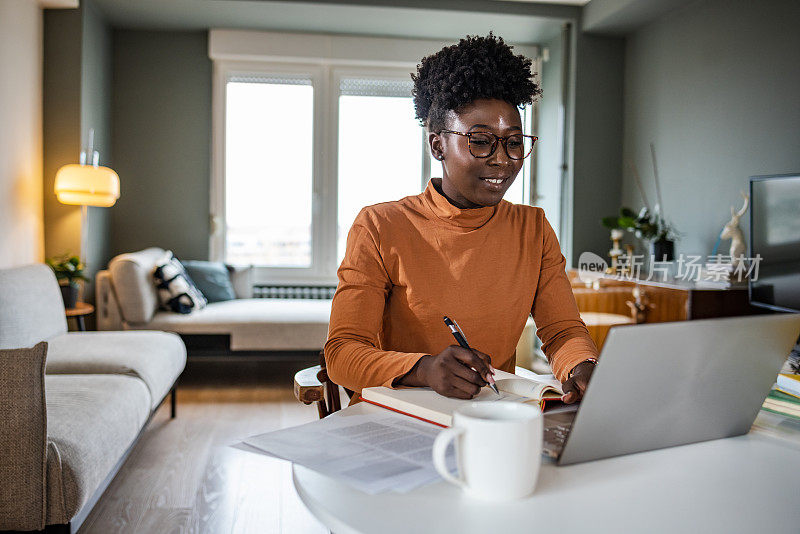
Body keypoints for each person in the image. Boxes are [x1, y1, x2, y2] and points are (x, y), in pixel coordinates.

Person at [325, 32, 598, 405]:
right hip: (396, 416)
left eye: (514, 141)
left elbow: (563, 330)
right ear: (437, 144)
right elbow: (342, 353)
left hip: (493, 417)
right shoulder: (379, 226)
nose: (502, 159)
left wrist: (580, 366)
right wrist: (423, 370)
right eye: (481, 140)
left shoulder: (532, 229)